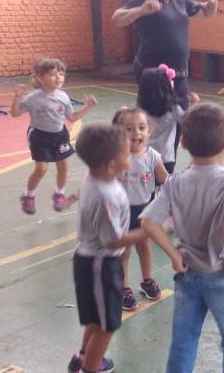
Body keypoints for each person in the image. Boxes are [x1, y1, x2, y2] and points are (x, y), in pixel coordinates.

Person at [139, 103, 224, 373]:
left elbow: (148, 221)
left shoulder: (175, 183)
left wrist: (173, 254)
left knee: (183, 343)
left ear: (183, 142)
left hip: (188, 275)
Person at [66, 124, 143, 373]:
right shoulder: (107, 195)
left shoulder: (93, 177)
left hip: (89, 260)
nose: (130, 158)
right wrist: (147, 231)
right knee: (108, 323)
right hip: (100, 264)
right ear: (111, 165)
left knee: (96, 317)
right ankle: (91, 367)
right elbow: (112, 240)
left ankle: (83, 357)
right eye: (127, 154)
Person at [112, 0, 218, 110]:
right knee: (154, 115)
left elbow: (206, 12)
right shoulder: (144, 1)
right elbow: (117, 18)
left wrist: (212, 3)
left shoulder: (180, 1)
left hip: (179, 74)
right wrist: (141, 10)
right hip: (153, 76)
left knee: (181, 115)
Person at [10, 58, 97, 215]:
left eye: (61, 74)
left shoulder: (63, 96)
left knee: (63, 166)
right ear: (40, 78)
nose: (59, 78)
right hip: (39, 136)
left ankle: (59, 193)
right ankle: (28, 195)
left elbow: (72, 117)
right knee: (41, 168)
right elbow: (15, 113)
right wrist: (16, 99)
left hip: (59, 135)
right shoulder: (33, 98)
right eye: (53, 74)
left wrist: (87, 107)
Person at [111, 107, 169, 311]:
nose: (136, 133)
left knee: (144, 247)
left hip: (145, 211)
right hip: (122, 212)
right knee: (124, 251)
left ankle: (147, 280)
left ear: (149, 131)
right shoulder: (117, 157)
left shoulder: (153, 156)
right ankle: (123, 287)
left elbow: (165, 179)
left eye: (141, 128)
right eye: (129, 129)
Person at [137, 66, 198, 174]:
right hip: (165, 157)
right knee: (165, 183)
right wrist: (195, 104)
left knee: (145, 183)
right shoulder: (172, 108)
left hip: (144, 155)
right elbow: (188, 120)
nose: (172, 82)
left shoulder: (140, 109)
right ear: (165, 86)